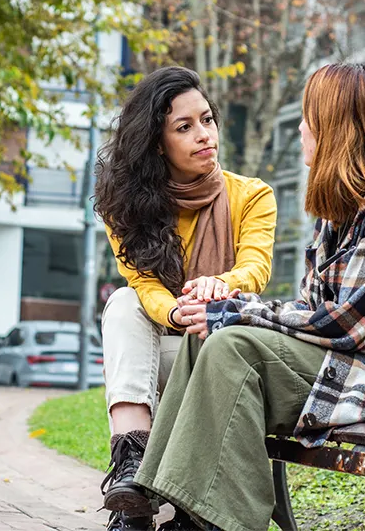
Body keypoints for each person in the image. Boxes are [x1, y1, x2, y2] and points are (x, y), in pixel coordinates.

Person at [132, 62, 365, 531]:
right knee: (213, 336)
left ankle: (220, 522)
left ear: (339, 128)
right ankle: (179, 508)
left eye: (309, 117)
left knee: (230, 343)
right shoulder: (343, 205)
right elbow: (311, 310)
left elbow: (345, 323)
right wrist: (231, 314)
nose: (302, 127)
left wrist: (237, 309)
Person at [93, 66, 277, 531]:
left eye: (208, 120)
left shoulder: (252, 196)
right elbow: (144, 287)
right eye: (184, 127)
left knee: (202, 345)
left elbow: (256, 268)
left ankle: (143, 498)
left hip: (219, 354)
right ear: (158, 144)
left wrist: (223, 285)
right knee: (122, 304)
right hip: (166, 347)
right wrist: (176, 309)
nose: (204, 135)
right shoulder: (127, 207)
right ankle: (133, 472)